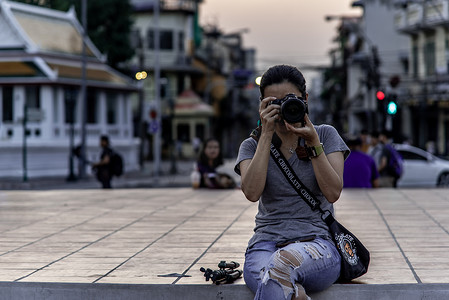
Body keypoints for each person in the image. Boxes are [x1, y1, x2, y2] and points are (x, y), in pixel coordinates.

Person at [234, 65, 350, 300]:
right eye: (273, 103)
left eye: (291, 100)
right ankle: (297, 295)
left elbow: (332, 192)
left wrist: (313, 142)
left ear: (305, 99)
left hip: (318, 244)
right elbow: (252, 192)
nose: (283, 108)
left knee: (279, 266)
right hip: (265, 245)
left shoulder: (326, 136)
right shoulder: (252, 146)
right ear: (263, 105)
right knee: (276, 272)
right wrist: (265, 134)